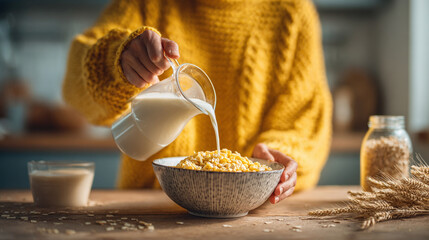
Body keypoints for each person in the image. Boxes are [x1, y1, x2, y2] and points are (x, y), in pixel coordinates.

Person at [63, 0, 332, 204]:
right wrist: (116, 60)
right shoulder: (148, 4)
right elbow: (75, 85)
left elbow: (305, 119)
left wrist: (273, 159)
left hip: (250, 209)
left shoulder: (292, 13)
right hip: (150, 205)